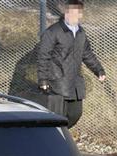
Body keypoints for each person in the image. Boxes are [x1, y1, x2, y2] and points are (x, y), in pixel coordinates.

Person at [37, 0, 106, 128]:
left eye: (77, 13)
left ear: (80, 14)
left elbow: (87, 54)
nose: (74, 16)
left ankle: (61, 135)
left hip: (75, 82)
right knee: (57, 116)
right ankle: (56, 140)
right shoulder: (53, 32)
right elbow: (43, 56)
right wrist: (43, 80)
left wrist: (99, 70)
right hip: (57, 81)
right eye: (71, 12)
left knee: (75, 114)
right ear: (66, 12)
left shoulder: (81, 33)